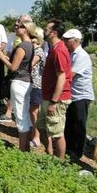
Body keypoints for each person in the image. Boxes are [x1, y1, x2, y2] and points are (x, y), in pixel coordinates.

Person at [0, 20, 36, 152]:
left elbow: (13, 67)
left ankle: (22, 150)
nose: (16, 28)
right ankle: (26, 149)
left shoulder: (22, 46)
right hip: (26, 81)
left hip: (19, 82)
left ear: (26, 29)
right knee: (24, 115)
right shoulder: (31, 45)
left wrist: (1, 57)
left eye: (20, 26)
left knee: (20, 117)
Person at [37, 19, 72, 159]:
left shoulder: (59, 51)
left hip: (56, 99)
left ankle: (60, 163)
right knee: (41, 126)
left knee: (57, 133)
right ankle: (50, 155)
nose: (44, 31)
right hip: (47, 97)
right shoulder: (54, 49)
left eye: (47, 29)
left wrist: (54, 101)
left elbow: (62, 77)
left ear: (53, 33)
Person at [62, 29, 94, 160]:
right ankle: (68, 148)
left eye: (67, 40)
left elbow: (69, 75)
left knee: (79, 123)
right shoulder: (70, 54)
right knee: (69, 122)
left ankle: (78, 151)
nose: (64, 42)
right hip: (72, 94)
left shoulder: (81, 56)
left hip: (81, 95)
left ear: (75, 41)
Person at [29, 27, 45, 148]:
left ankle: (37, 137)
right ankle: (33, 134)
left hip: (36, 85)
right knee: (32, 111)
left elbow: (30, 65)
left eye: (34, 37)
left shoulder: (38, 51)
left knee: (34, 112)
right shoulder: (33, 50)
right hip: (31, 84)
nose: (31, 39)